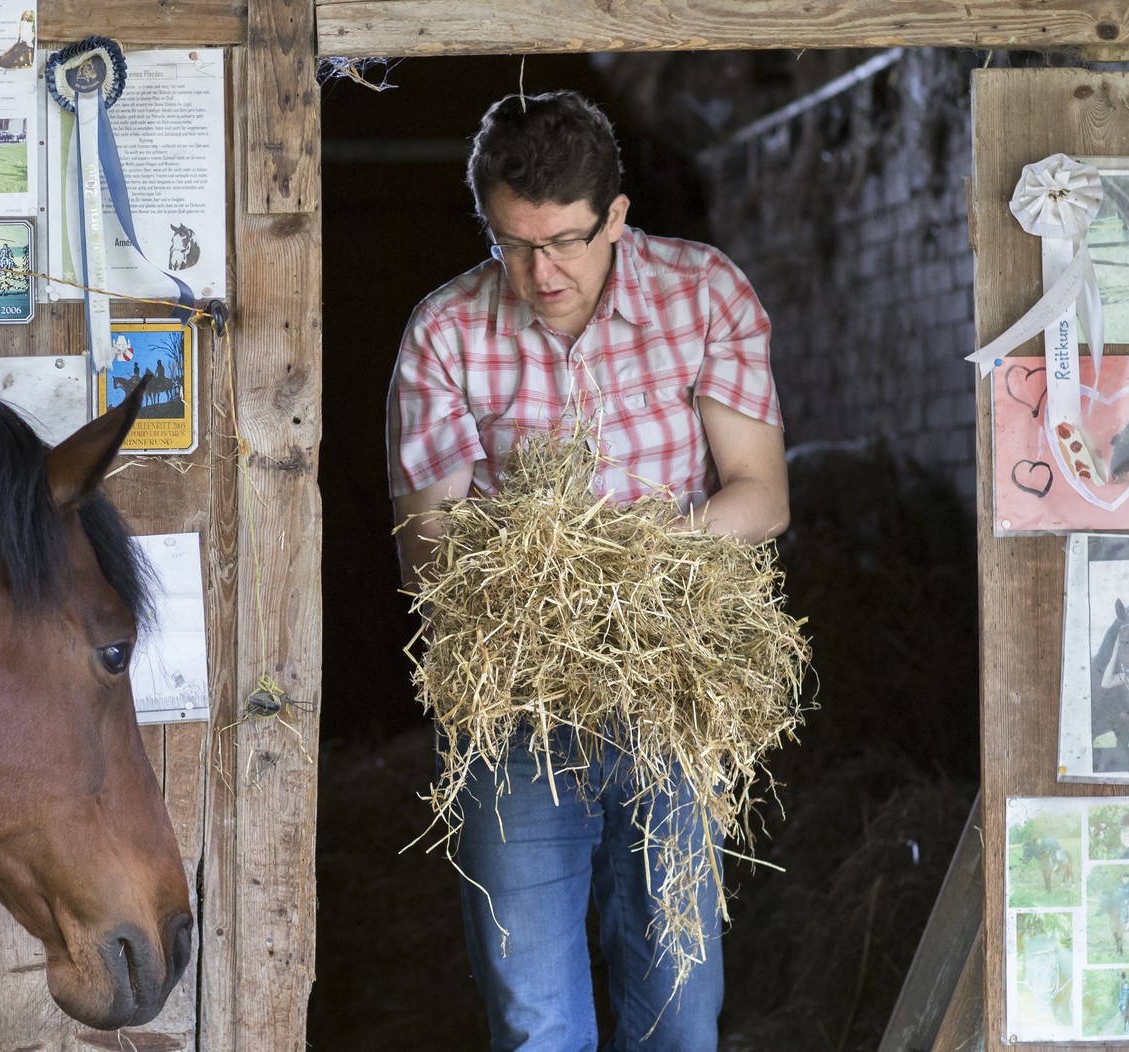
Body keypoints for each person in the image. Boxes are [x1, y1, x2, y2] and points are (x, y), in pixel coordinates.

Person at [386, 91, 788, 1051]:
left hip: (671, 692)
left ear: (616, 215)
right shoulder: (445, 331)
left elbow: (759, 496)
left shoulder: (705, 295)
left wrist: (617, 573)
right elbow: (427, 552)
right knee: (534, 1017)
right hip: (514, 704)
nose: (540, 270)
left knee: (679, 1013)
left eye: (565, 240)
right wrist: (535, 593)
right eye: (512, 242)